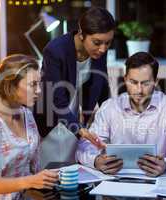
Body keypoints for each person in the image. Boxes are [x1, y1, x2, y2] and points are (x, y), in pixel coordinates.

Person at [77, 52, 166, 177]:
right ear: (125, 79)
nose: (139, 90)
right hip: (116, 185)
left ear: (155, 81)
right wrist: (96, 161)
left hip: (159, 183)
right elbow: (84, 147)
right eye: (133, 82)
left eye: (145, 83)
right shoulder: (109, 107)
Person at [33, 7, 115, 166]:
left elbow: (102, 87)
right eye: (97, 42)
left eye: (108, 43)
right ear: (81, 33)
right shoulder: (56, 50)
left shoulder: (99, 52)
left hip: (78, 118)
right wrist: (79, 128)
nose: (103, 49)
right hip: (52, 119)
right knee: (51, 169)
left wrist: (112, 116)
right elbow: (55, 99)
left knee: (75, 167)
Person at [0, 54, 58, 199]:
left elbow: (33, 169)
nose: (39, 91)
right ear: (10, 86)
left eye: (38, 84)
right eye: (32, 84)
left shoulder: (27, 115)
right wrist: (29, 182)